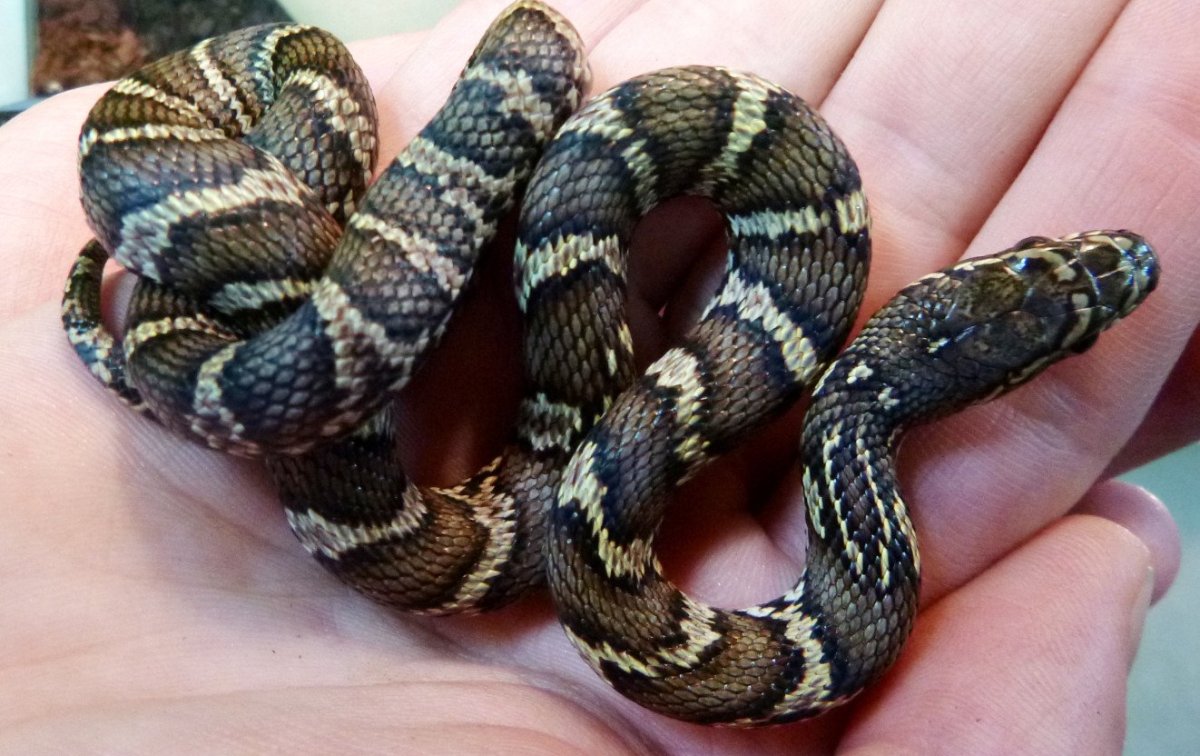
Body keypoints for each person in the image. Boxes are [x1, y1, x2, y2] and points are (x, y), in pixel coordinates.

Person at [0, 0, 1195, 751]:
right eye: (1040, 268)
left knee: (524, 56)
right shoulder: (817, 348)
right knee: (516, 56)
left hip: (432, 442)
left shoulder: (841, 429)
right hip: (349, 320)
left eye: (1062, 314)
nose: (1089, 269)